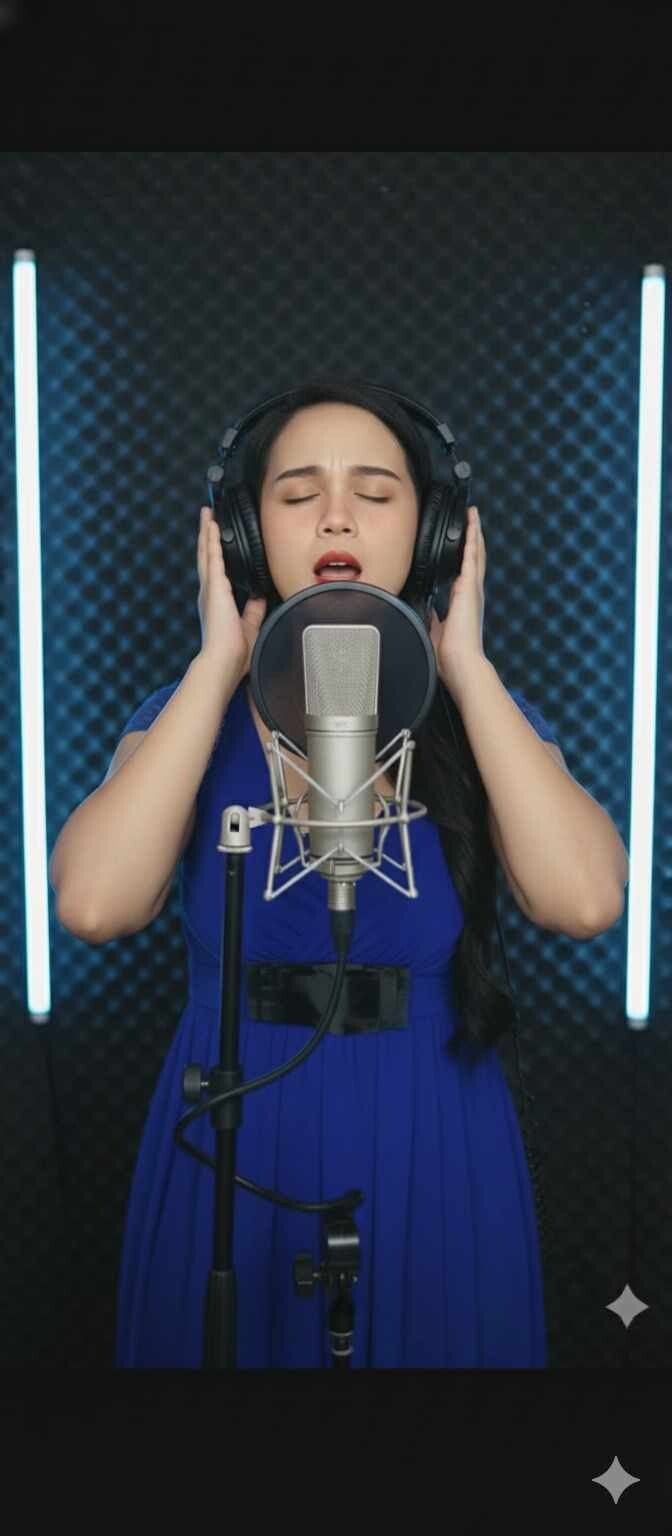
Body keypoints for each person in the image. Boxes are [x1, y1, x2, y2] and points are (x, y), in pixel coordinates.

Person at [49, 376, 629, 1368]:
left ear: (436, 534)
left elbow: (582, 901)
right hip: (239, 1120)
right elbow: (97, 904)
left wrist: (467, 669)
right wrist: (216, 667)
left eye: (375, 491)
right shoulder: (188, 718)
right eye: (296, 492)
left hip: (433, 1127)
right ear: (243, 535)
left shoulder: (484, 721)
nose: (335, 516)